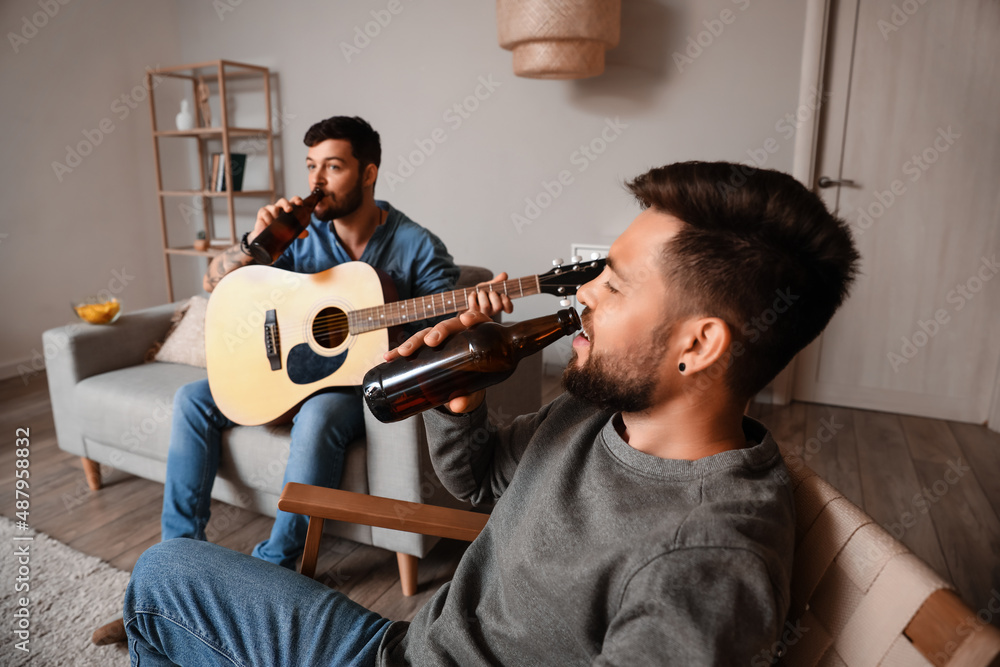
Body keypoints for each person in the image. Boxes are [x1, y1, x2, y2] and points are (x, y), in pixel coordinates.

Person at [120, 161, 859, 665]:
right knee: (163, 571)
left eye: (618, 284)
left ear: (698, 344)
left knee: (159, 600)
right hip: (404, 645)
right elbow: (479, 481)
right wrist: (459, 404)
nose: (587, 294)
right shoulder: (597, 410)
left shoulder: (706, 559)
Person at [92, 115, 512, 646]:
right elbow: (216, 284)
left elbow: (443, 331)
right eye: (311, 166)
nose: (316, 181)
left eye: (332, 167)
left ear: (368, 173)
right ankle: (176, 571)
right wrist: (253, 242)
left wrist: (469, 315)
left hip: (352, 384)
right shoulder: (300, 234)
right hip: (289, 371)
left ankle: (274, 570)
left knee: (317, 417)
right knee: (193, 399)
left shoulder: (417, 245)